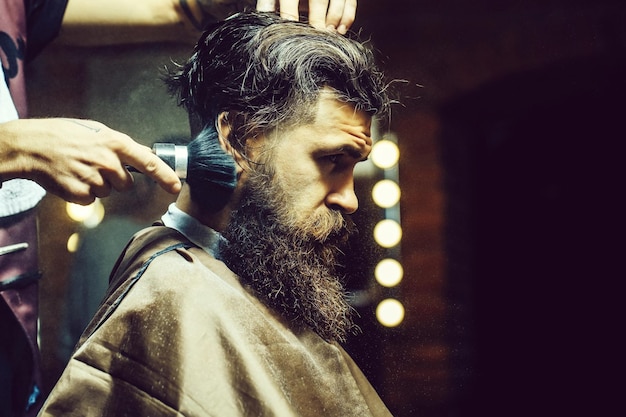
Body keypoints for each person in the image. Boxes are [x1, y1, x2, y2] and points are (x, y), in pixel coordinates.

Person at [1, 2, 358, 417]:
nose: (350, 199)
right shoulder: (168, 289)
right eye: (333, 160)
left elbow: (179, 8)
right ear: (241, 140)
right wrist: (12, 146)